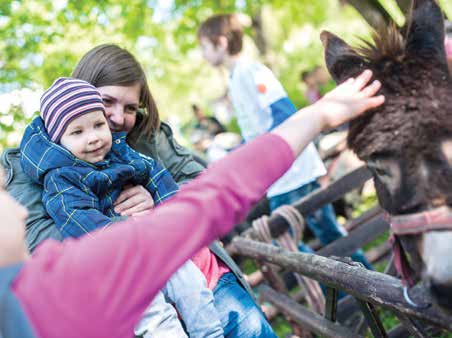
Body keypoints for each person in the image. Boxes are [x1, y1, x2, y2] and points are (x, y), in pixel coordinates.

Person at [0, 70, 385, 338]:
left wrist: (160, 205)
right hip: (139, 265)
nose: (17, 208)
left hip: (174, 261)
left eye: (107, 119)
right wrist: (317, 117)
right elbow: (211, 198)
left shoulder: (133, 147)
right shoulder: (57, 272)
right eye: (4, 200)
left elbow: (180, 182)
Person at [0, 44, 269, 337]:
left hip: (201, 277)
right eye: (108, 101)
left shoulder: (144, 135)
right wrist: (131, 231)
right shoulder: (32, 163)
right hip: (128, 299)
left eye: (130, 107)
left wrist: (157, 201)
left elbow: (199, 179)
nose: (118, 117)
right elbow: (37, 242)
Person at [19, 77, 223, 338]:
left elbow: (153, 173)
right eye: (77, 132)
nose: (93, 137)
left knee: (191, 284)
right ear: (60, 141)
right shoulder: (62, 178)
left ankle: (210, 333)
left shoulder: (120, 151)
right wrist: (127, 233)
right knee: (153, 314)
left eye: (97, 125)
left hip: (155, 244)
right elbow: (78, 219)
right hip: (118, 263)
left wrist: (171, 211)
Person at [197, 14, 372, 269]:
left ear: (221, 43)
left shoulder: (250, 71)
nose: (202, 55)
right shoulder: (235, 79)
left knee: (291, 239)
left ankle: (353, 291)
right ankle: (345, 294)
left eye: (204, 47)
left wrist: (264, 150)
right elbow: (255, 130)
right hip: (280, 176)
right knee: (315, 235)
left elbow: (282, 112)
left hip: (293, 170)